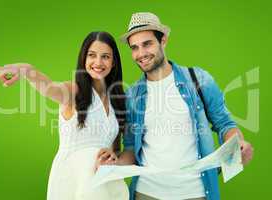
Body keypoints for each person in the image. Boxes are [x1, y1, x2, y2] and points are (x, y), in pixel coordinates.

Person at [107, 12, 254, 200]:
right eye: (134, 47)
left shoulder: (198, 80)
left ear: (163, 41)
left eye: (147, 44)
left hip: (195, 193)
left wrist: (238, 144)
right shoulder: (133, 95)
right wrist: (113, 166)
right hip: (146, 192)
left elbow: (225, 123)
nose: (141, 53)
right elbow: (130, 148)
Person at [0, 31, 129, 200]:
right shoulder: (73, 91)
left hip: (104, 181)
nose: (98, 62)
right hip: (71, 178)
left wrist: (112, 157)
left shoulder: (118, 101)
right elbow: (49, 87)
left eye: (105, 56)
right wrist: (25, 70)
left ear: (114, 62)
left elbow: (115, 150)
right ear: (84, 59)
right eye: (92, 55)